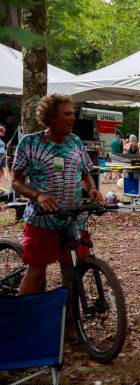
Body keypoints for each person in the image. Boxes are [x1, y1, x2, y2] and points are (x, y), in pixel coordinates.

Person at [11, 94, 104, 295]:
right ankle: (20, 320)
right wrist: (37, 195)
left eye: (74, 113)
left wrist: (93, 189)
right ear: (52, 116)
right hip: (42, 220)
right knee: (36, 271)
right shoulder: (30, 143)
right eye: (67, 114)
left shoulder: (76, 142)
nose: (73, 118)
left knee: (71, 270)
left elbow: (86, 173)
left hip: (73, 218)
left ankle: (70, 323)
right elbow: (16, 181)